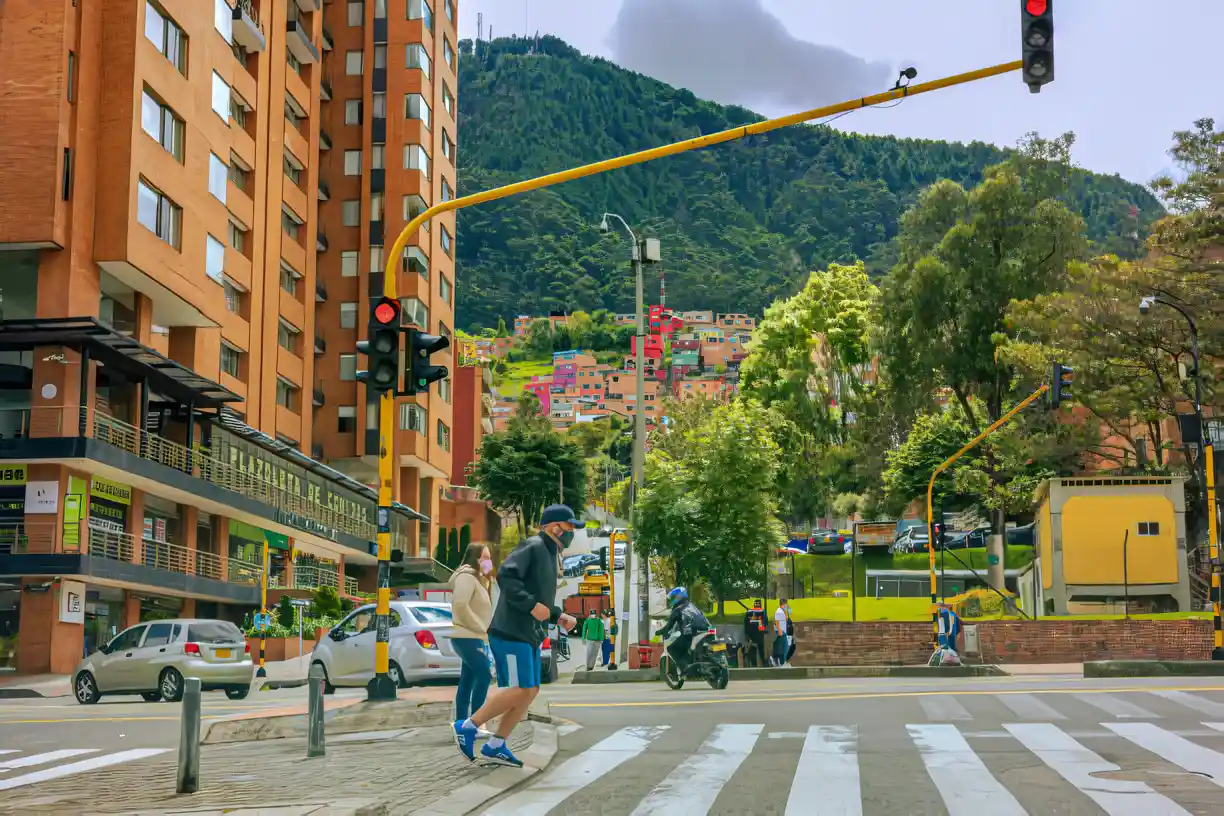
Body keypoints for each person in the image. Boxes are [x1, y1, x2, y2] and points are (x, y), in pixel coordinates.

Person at [453, 504, 579, 767]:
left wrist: (559, 616)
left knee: (530, 690)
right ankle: (468, 725)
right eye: (569, 527)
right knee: (520, 688)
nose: (571, 533)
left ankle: (496, 744)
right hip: (511, 632)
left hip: (529, 634)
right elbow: (506, 577)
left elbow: (540, 601)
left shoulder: (549, 553)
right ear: (553, 527)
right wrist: (532, 606)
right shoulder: (533, 546)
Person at [449, 542, 494, 724]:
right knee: (484, 674)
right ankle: (475, 722)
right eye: (486, 558)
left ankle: (462, 723)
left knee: (468, 678)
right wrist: (479, 627)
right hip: (467, 636)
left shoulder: (477, 578)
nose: (489, 561)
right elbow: (460, 605)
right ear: (476, 559)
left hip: (472, 636)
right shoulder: (466, 577)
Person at [658, 586, 710, 672]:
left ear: (679, 596)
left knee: (672, 648)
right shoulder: (693, 606)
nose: (672, 600)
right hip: (708, 629)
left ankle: (685, 667)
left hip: (690, 632)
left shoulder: (677, 610)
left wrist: (659, 632)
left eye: (674, 597)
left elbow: (669, 626)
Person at [743, 599, 767, 668]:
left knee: (755, 650)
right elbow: (763, 623)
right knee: (759, 650)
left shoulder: (749, 612)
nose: (756, 604)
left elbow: (746, 624)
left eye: (757, 603)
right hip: (758, 634)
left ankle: (755, 664)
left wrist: (746, 634)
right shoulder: (762, 612)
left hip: (753, 635)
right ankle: (763, 664)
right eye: (756, 603)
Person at [772, 598, 790, 667]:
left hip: (783, 631)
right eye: (786, 604)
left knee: (783, 646)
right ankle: (781, 662)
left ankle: (780, 661)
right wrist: (779, 631)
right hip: (781, 631)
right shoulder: (779, 611)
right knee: (784, 647)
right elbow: (777, 622)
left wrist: (786, 611)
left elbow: (786, 618)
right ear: (783, 604)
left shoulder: (782, 611)